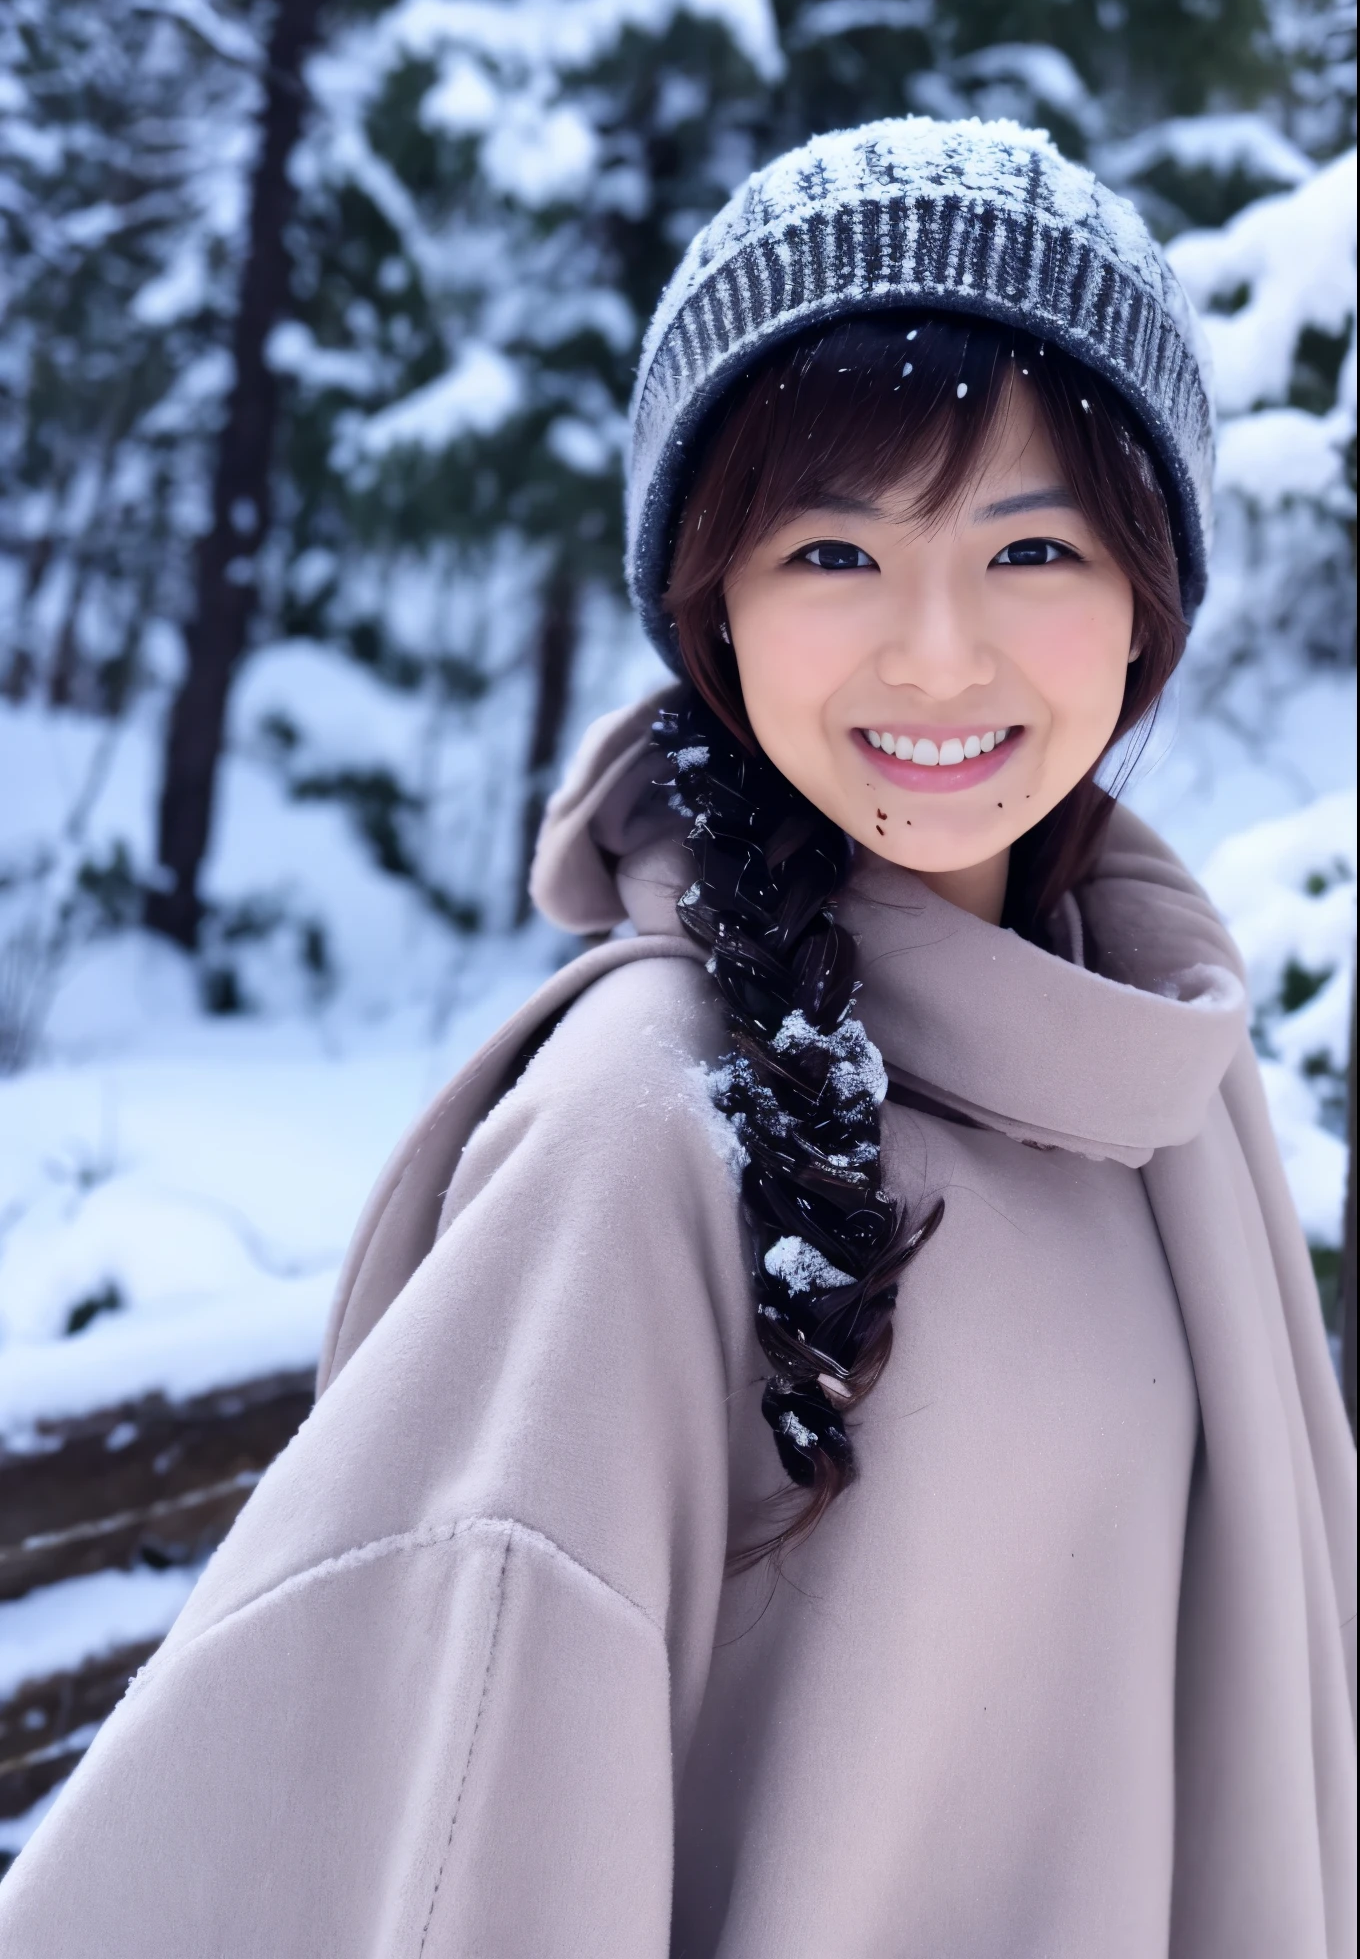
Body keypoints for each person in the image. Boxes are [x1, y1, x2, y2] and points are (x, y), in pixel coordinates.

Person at [1, 117, 1353, 1959]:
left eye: (1032, 544)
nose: (941, 654)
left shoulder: (1154, 1066)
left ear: (1147, 604)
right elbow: (456, 1794)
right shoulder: (645, 1136)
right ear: (710, 607)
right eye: (831, 554)